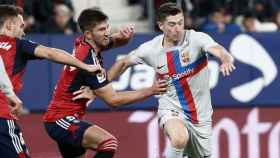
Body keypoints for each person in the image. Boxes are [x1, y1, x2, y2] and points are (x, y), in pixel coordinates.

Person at [107, 3, 235, 158]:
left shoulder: (196, 39)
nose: (178, 28)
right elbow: (123, 63)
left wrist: (226, 59)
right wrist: (100, 86)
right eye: (172, 24)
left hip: (201, 116)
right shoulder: (150, 49)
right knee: (180, 139)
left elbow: (219, 50)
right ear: (161, 25)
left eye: (181, 23)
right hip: (171, 107)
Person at [43, 7, 167, 158]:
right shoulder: (87, 60)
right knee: (108, 143)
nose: (107, 32)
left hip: (66, 118)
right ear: (88, 34)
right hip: (60, 120)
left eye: (107, 27)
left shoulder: (86, 43)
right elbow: (113, 101)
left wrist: (125, 38)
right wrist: (151, 90)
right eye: (102, 29)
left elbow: (111, 41)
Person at [0, 4, 102, 158]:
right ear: (9, 25)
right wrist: (84, 65)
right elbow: (51, 53)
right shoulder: (18, 44)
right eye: (21, 26)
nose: (23, 31)